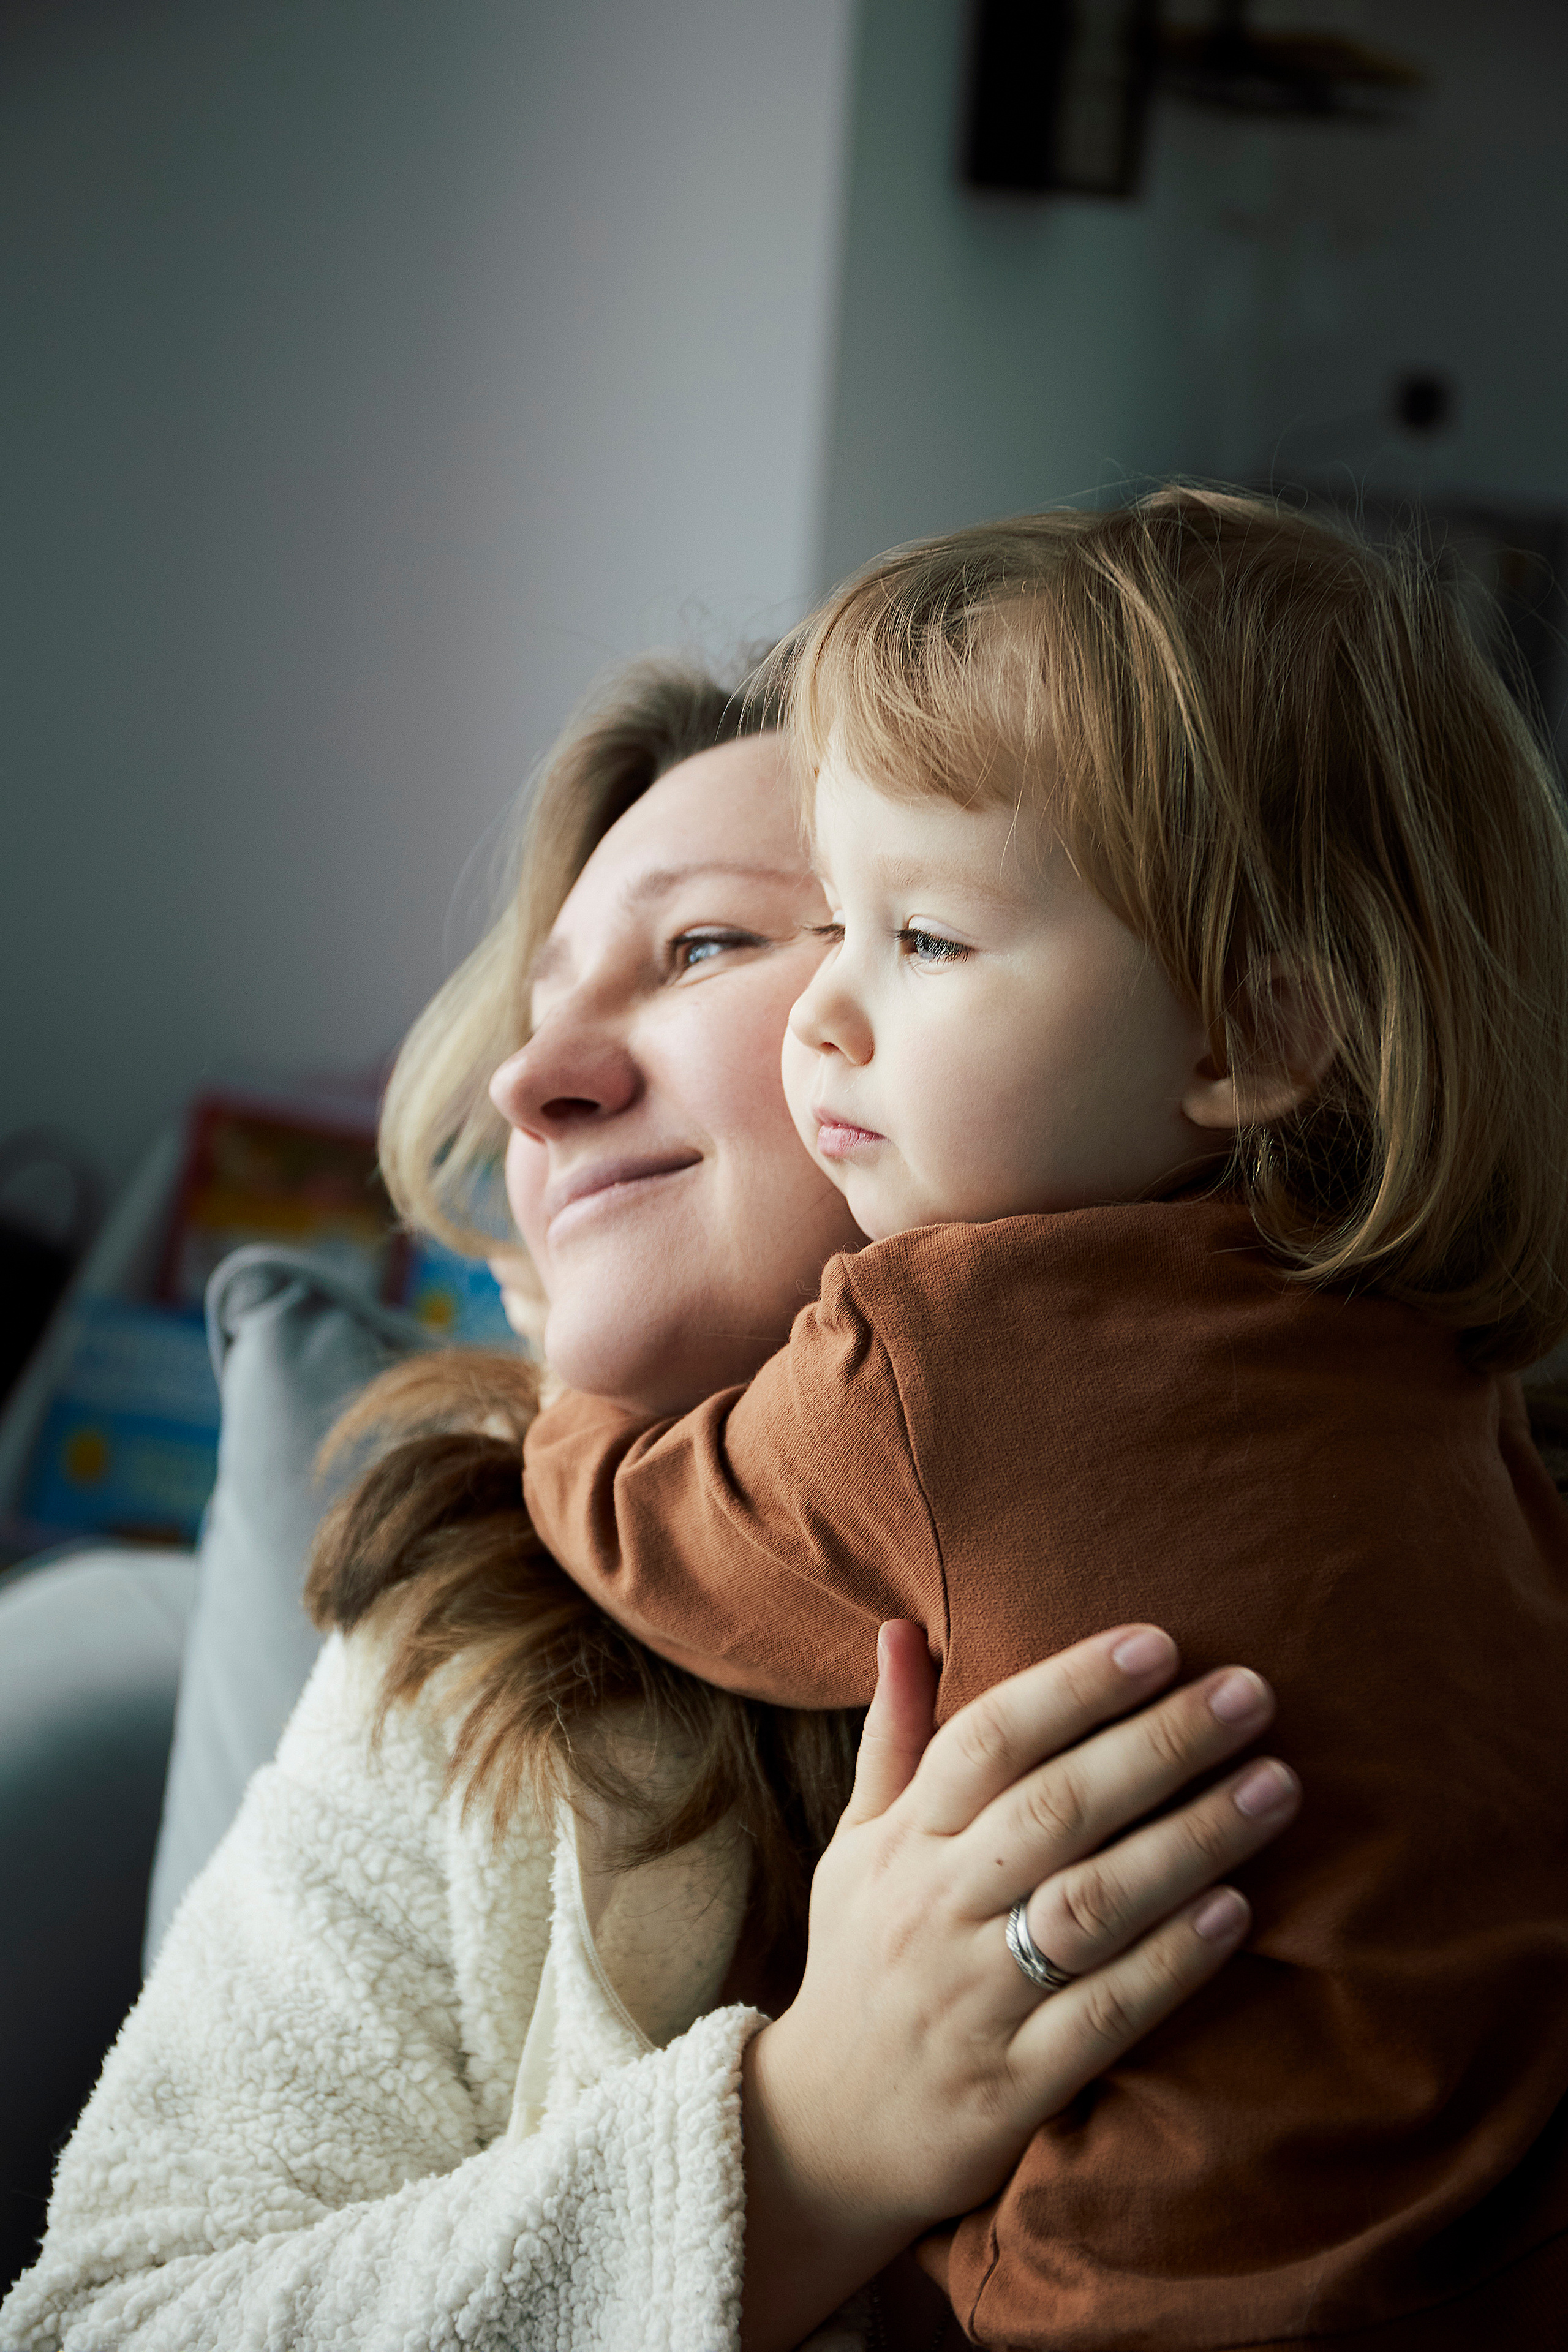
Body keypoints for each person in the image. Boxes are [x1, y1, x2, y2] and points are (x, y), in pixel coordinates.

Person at [0, 656, 1302, 2352]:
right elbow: (110, 2323)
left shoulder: (1412, 1541)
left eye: (701, 947)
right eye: (540, 1010)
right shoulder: (464, 1630)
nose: (529, 1087)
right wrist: (814, 2144)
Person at [518, 491, 1568, 2345]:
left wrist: (564, 1401)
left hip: (1127, 2294)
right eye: (832, 926)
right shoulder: (1436, 1370)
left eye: (917, 940)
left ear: (1251, 1032)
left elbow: (660, 1538)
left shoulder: (946, 1347)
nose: (824, 1021)